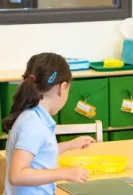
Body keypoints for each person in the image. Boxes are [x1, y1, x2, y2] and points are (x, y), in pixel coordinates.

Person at [3, 53, 96, 195]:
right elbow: (17, 175)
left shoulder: (33, 115)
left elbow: (40, 153)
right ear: (62, 87)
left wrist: (70, 145)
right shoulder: (33, 124)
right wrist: (64, 173)